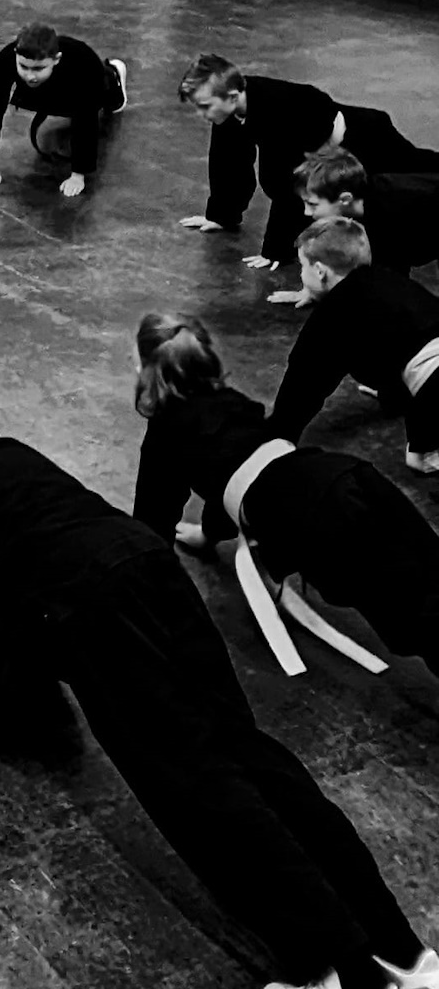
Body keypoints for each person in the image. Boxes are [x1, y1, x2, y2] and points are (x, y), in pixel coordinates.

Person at [0, 368, 439, 989]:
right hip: (148, 568)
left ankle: (330, 969)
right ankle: (402, 953)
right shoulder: (11, 454)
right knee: (243, 749)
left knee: (192, 781)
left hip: (96, 612)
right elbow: (14, 535)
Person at [131, 311, 439, 674]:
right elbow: (237, 477)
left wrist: (143, 589)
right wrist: (209, 535)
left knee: (415, 622)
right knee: (431, 575)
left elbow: (153, 518)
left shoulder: (165, 433)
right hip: (344, 474)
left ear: (144, 367)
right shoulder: (232, 400)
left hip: (310, 516)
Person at [176, 53, 439, 271]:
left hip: (365, 138)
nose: (201, 115)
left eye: (204, 106)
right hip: (325, 150)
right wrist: (222, 216)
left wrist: (275, 251)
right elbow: (228, 163)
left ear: (232, 96)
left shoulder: (278, 109)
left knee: (416, 174)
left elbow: (289, 185)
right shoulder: (229, 111)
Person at [267, 217, 439, 475]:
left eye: (303, 267)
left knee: (419, 459)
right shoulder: (387, 278)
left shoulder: (336, 311)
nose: (301, 276)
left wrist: (277, 436)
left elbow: (303, 381)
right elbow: (405, 340)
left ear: (320, 271)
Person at [0, 22, 128, 197]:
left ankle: (114, 72)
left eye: (38, 68)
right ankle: (46, 84)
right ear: (16, 55)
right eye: (24, 67)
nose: (30, 75)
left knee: (106, 103)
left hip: (92, 82)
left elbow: (86, 119)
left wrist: (77, 176)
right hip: (48, 87)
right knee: (35, 96)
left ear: (57, 59)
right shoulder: (7, 58)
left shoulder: (82, 63)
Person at [282, 147, 439, 282]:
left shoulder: (390, 216)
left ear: (345, 199)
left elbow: (394, 279)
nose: (306, 212)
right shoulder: (359, 199)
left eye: (312, 204)